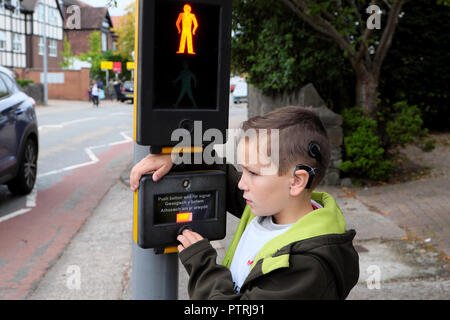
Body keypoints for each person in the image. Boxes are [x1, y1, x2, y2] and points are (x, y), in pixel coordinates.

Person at [129, 106, 359, 299]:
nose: (241, 184)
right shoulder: (270, 207)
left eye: (253, 173)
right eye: (243, 170)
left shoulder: (307, 266)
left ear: (297, 181)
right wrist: (178, 156)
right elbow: (222, 173)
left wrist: (201, 263)